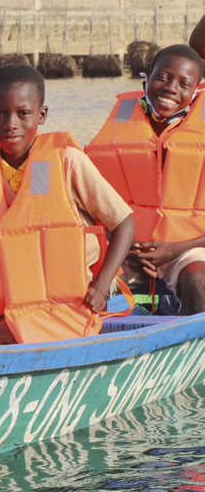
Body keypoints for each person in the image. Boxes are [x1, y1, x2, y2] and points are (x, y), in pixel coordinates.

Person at [0, 64, 134, 345]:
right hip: (0, 315)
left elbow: (124, 223)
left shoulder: (68, 162)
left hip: (68, 309)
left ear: (42, 115)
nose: (10, 123)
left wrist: (101, 286)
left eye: (23, 113)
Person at [86, 44, 205, 315]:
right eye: (162, 77)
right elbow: (92, 210)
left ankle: (188, 348)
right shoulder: (116, 134)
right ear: (146, 81)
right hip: (125, 250)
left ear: (196, 93)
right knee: (73, 276)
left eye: (183, 83)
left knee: (200, 280)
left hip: (188, 248)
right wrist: (125, 250)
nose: (171, 88)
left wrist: (173, 249)